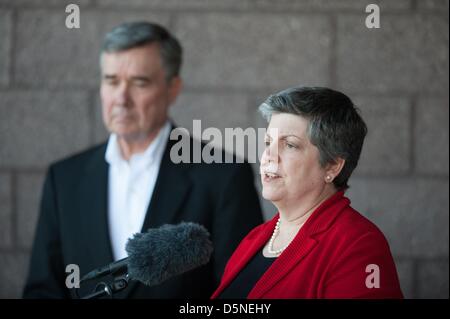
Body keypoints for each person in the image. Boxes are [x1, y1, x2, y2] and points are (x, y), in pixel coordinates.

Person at [23, 21, 263, 298]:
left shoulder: (224, 176)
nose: (121, 98)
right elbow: (42, 290)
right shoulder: (64, 178)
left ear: (173, 88)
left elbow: (241, 295)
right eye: (111, 81)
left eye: (139, 82)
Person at [212, 87, 403, 299]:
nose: (268, 156)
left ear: (332, 166)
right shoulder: (253, 239)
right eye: (268, 142)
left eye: (290, 145)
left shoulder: (358, 244)